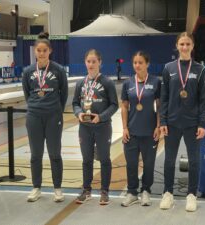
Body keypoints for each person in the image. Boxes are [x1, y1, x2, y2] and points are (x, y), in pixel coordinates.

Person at [159, 32, 205, 212]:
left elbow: (203, 100)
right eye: (182, 44)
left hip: (192, 124)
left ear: (192, 46)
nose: (185, 47)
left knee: (194, 161)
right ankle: (168, 194)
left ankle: (191, 195)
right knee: (169, 160)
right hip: (171, 123)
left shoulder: (200, 69)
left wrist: (202, 124)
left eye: (188, 44)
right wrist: (162, 120)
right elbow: (163, 98)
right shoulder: (168, 68)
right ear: (177, 46)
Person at [22, 32, 68, 202]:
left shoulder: (58, 70)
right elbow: (27, 94)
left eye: (44, 50)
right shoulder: (28, 71)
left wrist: (56, 110)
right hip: (34, 115)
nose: (41, 53)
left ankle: (57, 189)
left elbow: (63, 94)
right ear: (35, 51)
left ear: (50, 51)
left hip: (53, 116)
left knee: (55, 153)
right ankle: (36, 188)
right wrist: (36, 107)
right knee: (36, 154)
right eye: (38, 50)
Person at [72, 49, 118, 205]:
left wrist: (101, 117)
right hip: (84, 127)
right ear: (85, 62)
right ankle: (86, 190)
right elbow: (75, 104)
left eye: (94, 61)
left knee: (104, 159)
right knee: (87, 159)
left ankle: (104, 191)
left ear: (100, 63)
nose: (91, 64)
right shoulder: (80, 83)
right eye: (88, 61)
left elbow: (114, 105)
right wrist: (78, 113)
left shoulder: (107, 82)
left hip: (102, 127)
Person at [121, 51, 161, 207]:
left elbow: (159, 106)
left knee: (149, 163)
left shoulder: (155, 82)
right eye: (135, 62)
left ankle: (146, 191)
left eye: (140, 62)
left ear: (147, 64)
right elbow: (124, 107)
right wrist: (124, 128)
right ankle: (132, 192)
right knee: (131, 164)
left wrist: (158, 126)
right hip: (131, 131)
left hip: (150, 131)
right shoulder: (127, 83)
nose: (137, 65)